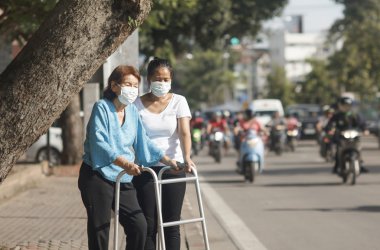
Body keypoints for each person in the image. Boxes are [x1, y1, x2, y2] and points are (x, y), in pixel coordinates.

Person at [78, 65, 179, 250]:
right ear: (114, 86)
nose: (132, 89)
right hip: (97, 174)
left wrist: (167, 160)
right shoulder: (102, 107)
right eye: (127, 84)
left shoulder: (132, 111)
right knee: (100, 229)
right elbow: (99, 142)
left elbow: (143, 141)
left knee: (139, 225)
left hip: (123, 177)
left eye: (135, 85)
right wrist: (125, 162)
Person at [133, 57, 194, 250]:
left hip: (173, 168)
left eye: (166, 79)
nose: (162, 83)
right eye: (157, 78)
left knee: (171, 224)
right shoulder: (136, 104)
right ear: (149, 79)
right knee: (149, 225)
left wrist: (187, 158)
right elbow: (136, 137)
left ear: (171, 80)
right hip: (145, 169)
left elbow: (184, 132)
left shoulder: (179, 101)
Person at [324, 96, 368, 173]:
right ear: (340, 106)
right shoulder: (337, 116)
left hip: (353, 137)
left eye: (347, 105)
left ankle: (361, 163)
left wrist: (365, 130)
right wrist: (330, 130)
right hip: (341, 137)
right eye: (344, 105)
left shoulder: (354, 115)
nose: (346, 107)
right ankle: (337, 166)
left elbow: (362, 123)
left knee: (358, 148)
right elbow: (330, 125)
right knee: (338, 150)